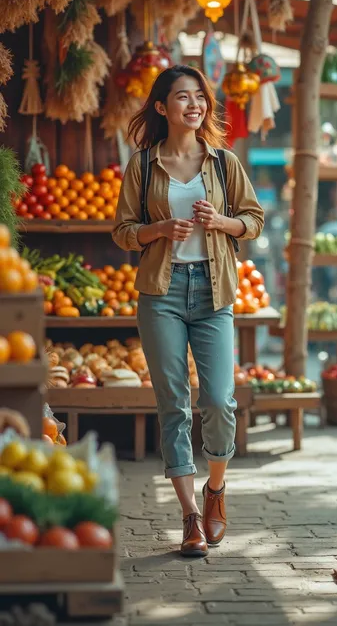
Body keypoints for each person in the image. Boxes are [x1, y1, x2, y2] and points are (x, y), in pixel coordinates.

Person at [112, 65, 264, 557]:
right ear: (162, 107)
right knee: (173, 405)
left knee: (220, 401)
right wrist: (157, 231)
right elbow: (122, 230)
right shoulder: (142, 164)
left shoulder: (223, 163)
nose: (194, 104)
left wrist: (222, 221)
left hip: (214, 292)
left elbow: (254, 220)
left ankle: (215, 489)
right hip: (162, 291)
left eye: (200, 96)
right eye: (182, 97)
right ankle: (190, 517)